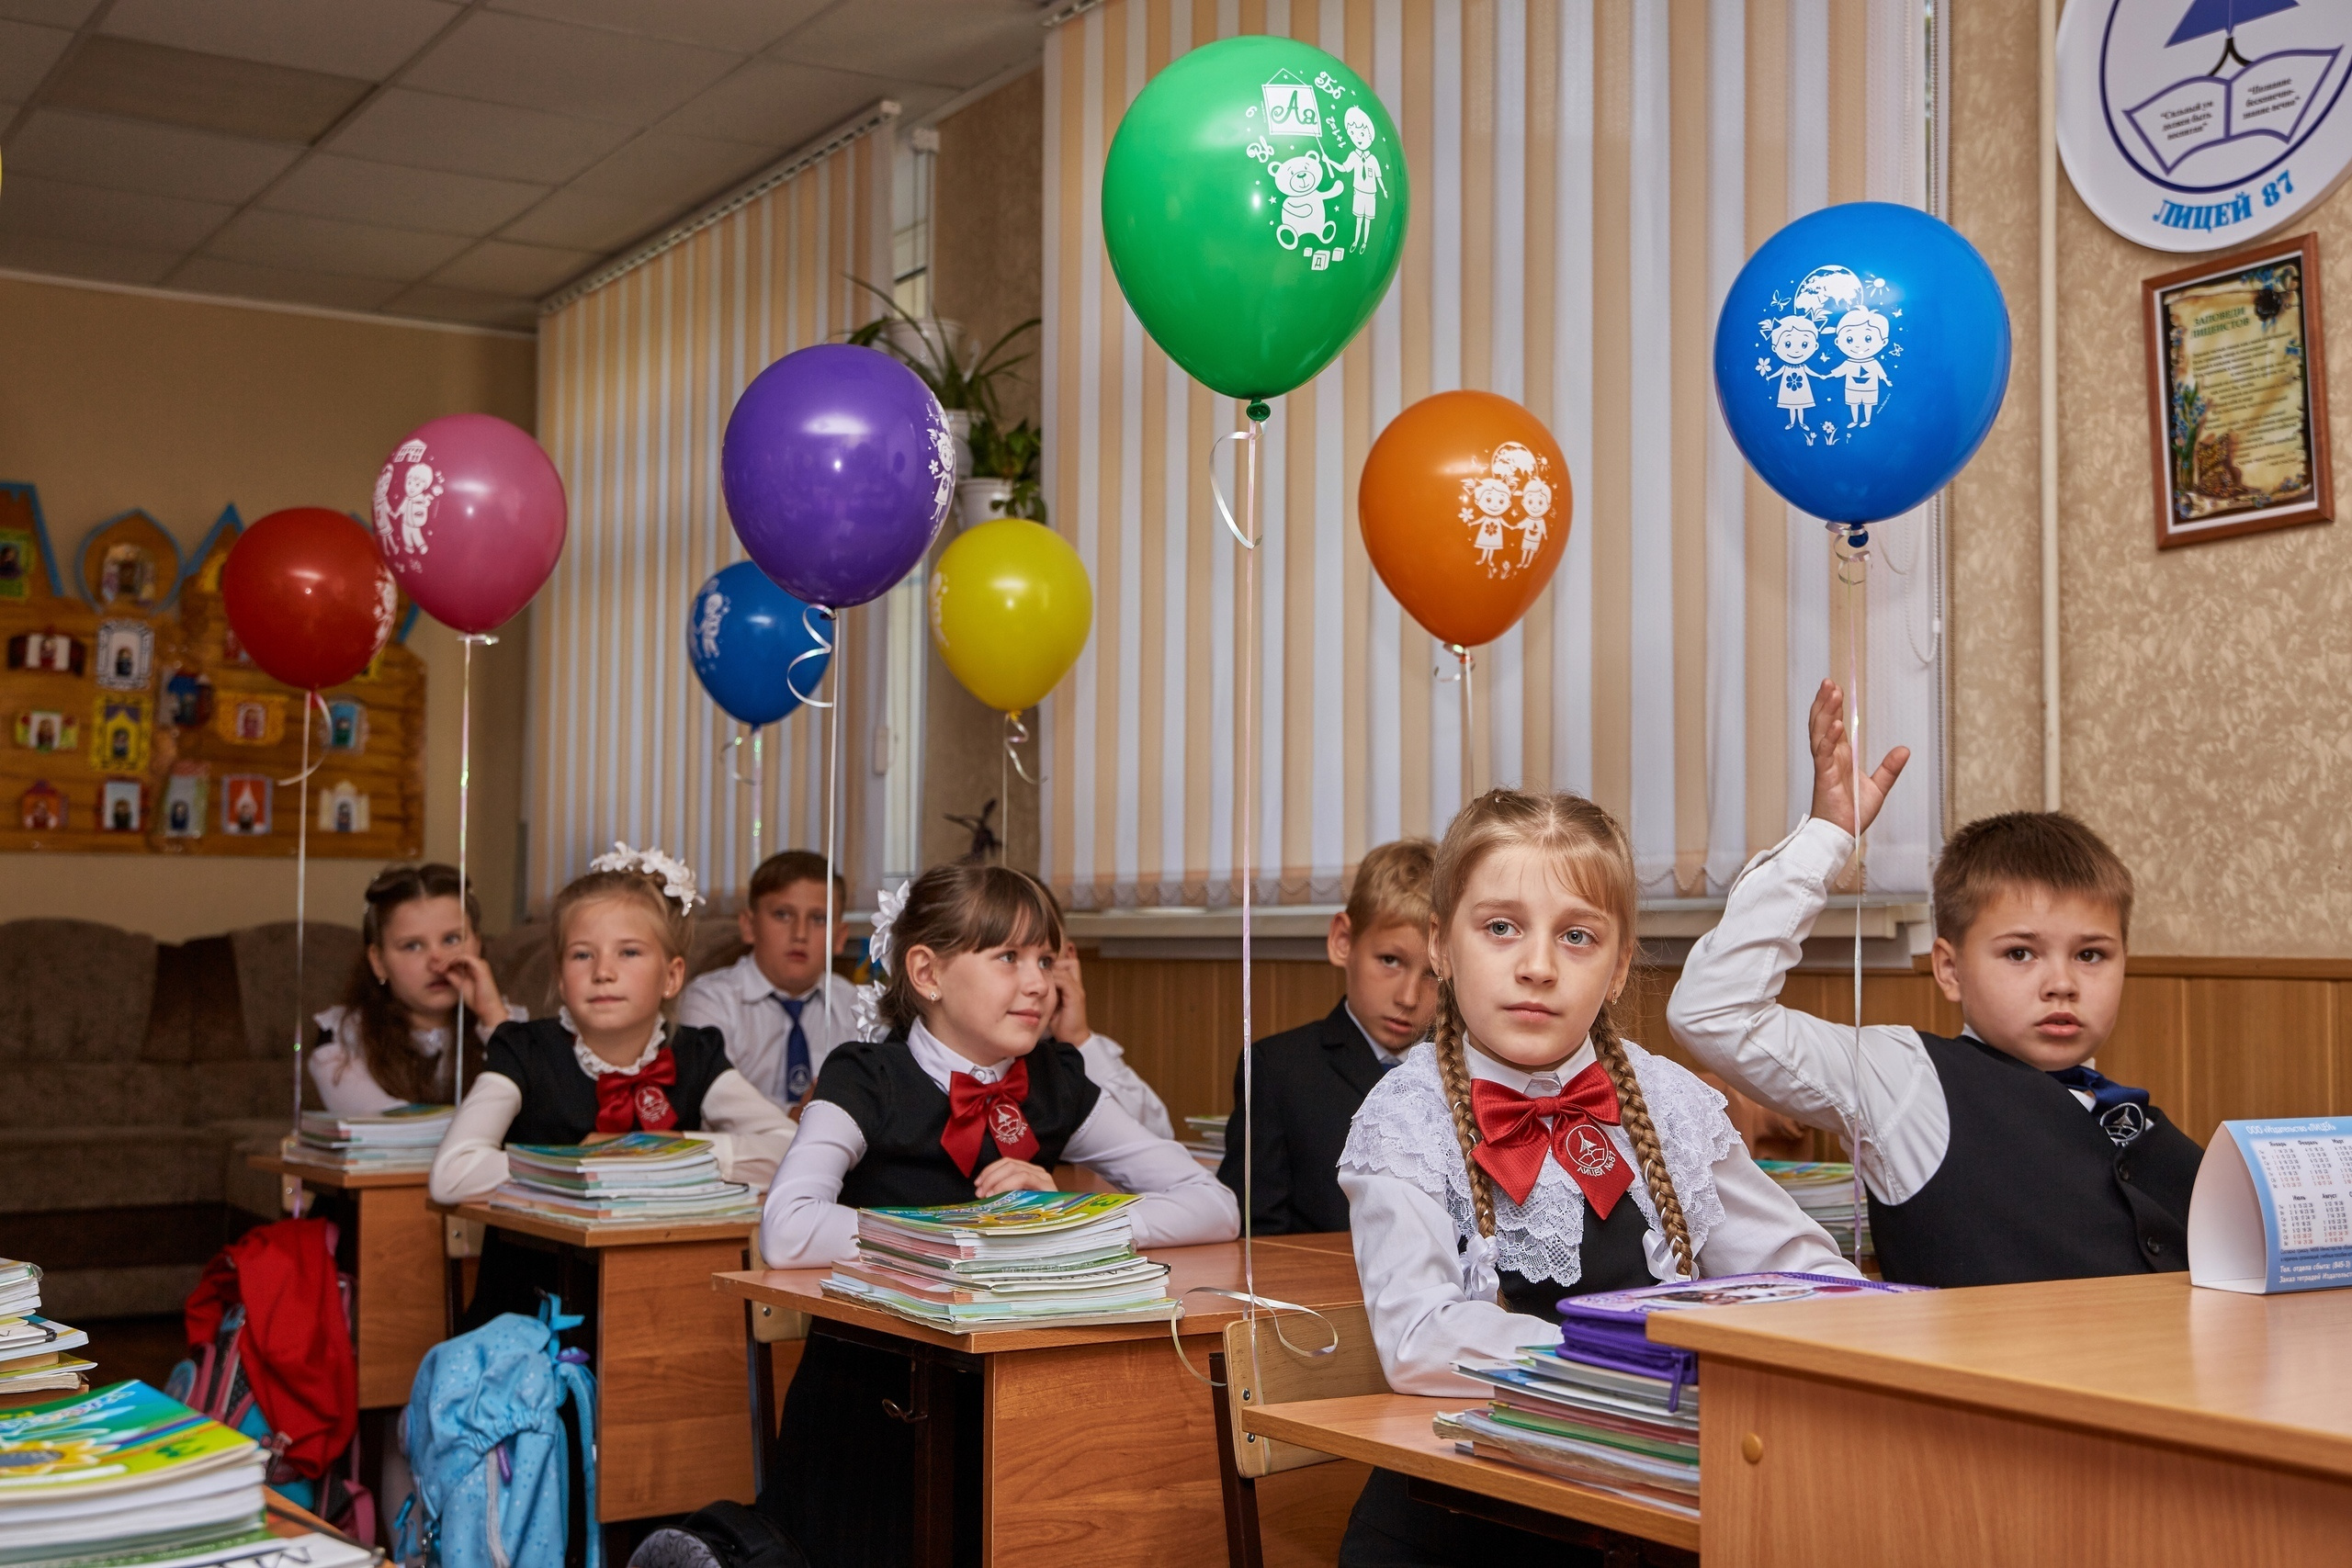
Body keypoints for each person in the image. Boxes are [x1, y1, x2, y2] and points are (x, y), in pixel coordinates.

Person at [1340, 788, 1854, 1565]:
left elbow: (1804, 1272)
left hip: (1639, 1514)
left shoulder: (1668, 1102)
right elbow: (1418, 1337)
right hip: (1454, 1527)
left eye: (1576, 936)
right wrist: (1626, 1362)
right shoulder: (1406, 1118)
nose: (1538, 966)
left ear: (1618, 968)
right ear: (1443, 946)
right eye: (1501, 927)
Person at [756, 861, 1237, 1567]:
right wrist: (971, 1235)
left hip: (1016, 1397)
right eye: (1008, 957)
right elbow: (789, 1226)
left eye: (1044, 958)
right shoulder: (866, 1076)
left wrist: (1066, 1215)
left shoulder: (1051, 1078)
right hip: (875, 1407)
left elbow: (1214, 1205)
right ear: (927, 972)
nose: (1039, 982)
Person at [1668, 680, 2203, 1287]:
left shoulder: (2139, 1120)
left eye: (2091, 955)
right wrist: (1827, 837)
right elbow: (1714, 1011)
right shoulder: (1907, 1082)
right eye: (2021, 952)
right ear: (1949, 968)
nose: (2062, 983)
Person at [430, 846, 794, 1325]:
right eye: (583, 954)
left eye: (629, 952)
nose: (603, 971)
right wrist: (578, 1163)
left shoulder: (694, 1053)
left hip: (658, 1310)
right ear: (560, 977)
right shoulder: (524, 1051)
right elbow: (452, 1172)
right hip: (530, 1316)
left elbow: (790, 1148)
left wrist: (667, 1149)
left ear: (672, 976)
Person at [1220, 839, 1442, 1235]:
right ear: (1343, 941)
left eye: (1433, 975)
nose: (1408, 998)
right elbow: (1254, 1235)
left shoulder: (1462, 1071)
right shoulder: (1278, 1070)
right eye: (1389, 960)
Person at [311, 863, 519, 1114]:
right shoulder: (342, 1040)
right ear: (379, 961)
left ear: (477, 944)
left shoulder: (513, 1025)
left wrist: (493, 1018)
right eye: (412, 946)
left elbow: (541, 1116)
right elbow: (389, 1128)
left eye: (452, 939)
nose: (438, 961)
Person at [678, 850, 860, 1112]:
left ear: (840, 937)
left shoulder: (857, 1007)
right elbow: (710, 1104)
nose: (800, 934)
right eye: (783, 915)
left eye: (818, 919)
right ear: (749, 926)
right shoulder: (709, 1001)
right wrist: (793, 1117)